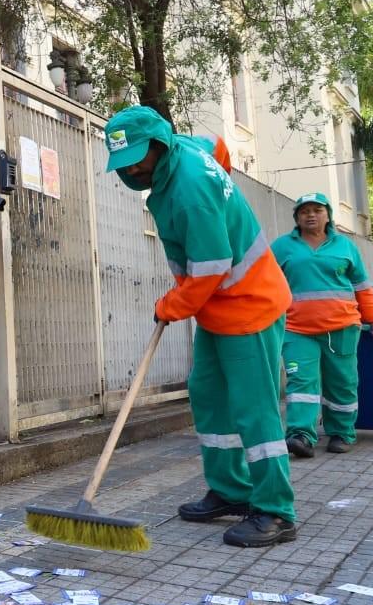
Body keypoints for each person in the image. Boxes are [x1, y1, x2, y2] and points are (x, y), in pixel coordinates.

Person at [104, 105, 297, 548]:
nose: (133, 167)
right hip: (219, 309)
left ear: (159, 143)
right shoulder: (190, 151)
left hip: (249, 306)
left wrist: (173, 304)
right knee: (209, 395)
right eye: (125, 161)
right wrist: (223, 180)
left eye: (138, 156)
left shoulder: (189, 189)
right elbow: (219, 147)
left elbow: (212, 266)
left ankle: (275, 510)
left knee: (254, 409)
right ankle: (231, 490)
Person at [269, 192, 373, 457]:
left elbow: (362, 286)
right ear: (297, 218)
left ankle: (341, 433)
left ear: (328, 215)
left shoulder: (345, 246)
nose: (311, 215)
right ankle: (300, 435)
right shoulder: (281, 247)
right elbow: (266, 286)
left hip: (342, 328)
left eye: (317, 210)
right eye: (304, 211)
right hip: (296, 329)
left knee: (342, 382)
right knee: (301, 382)